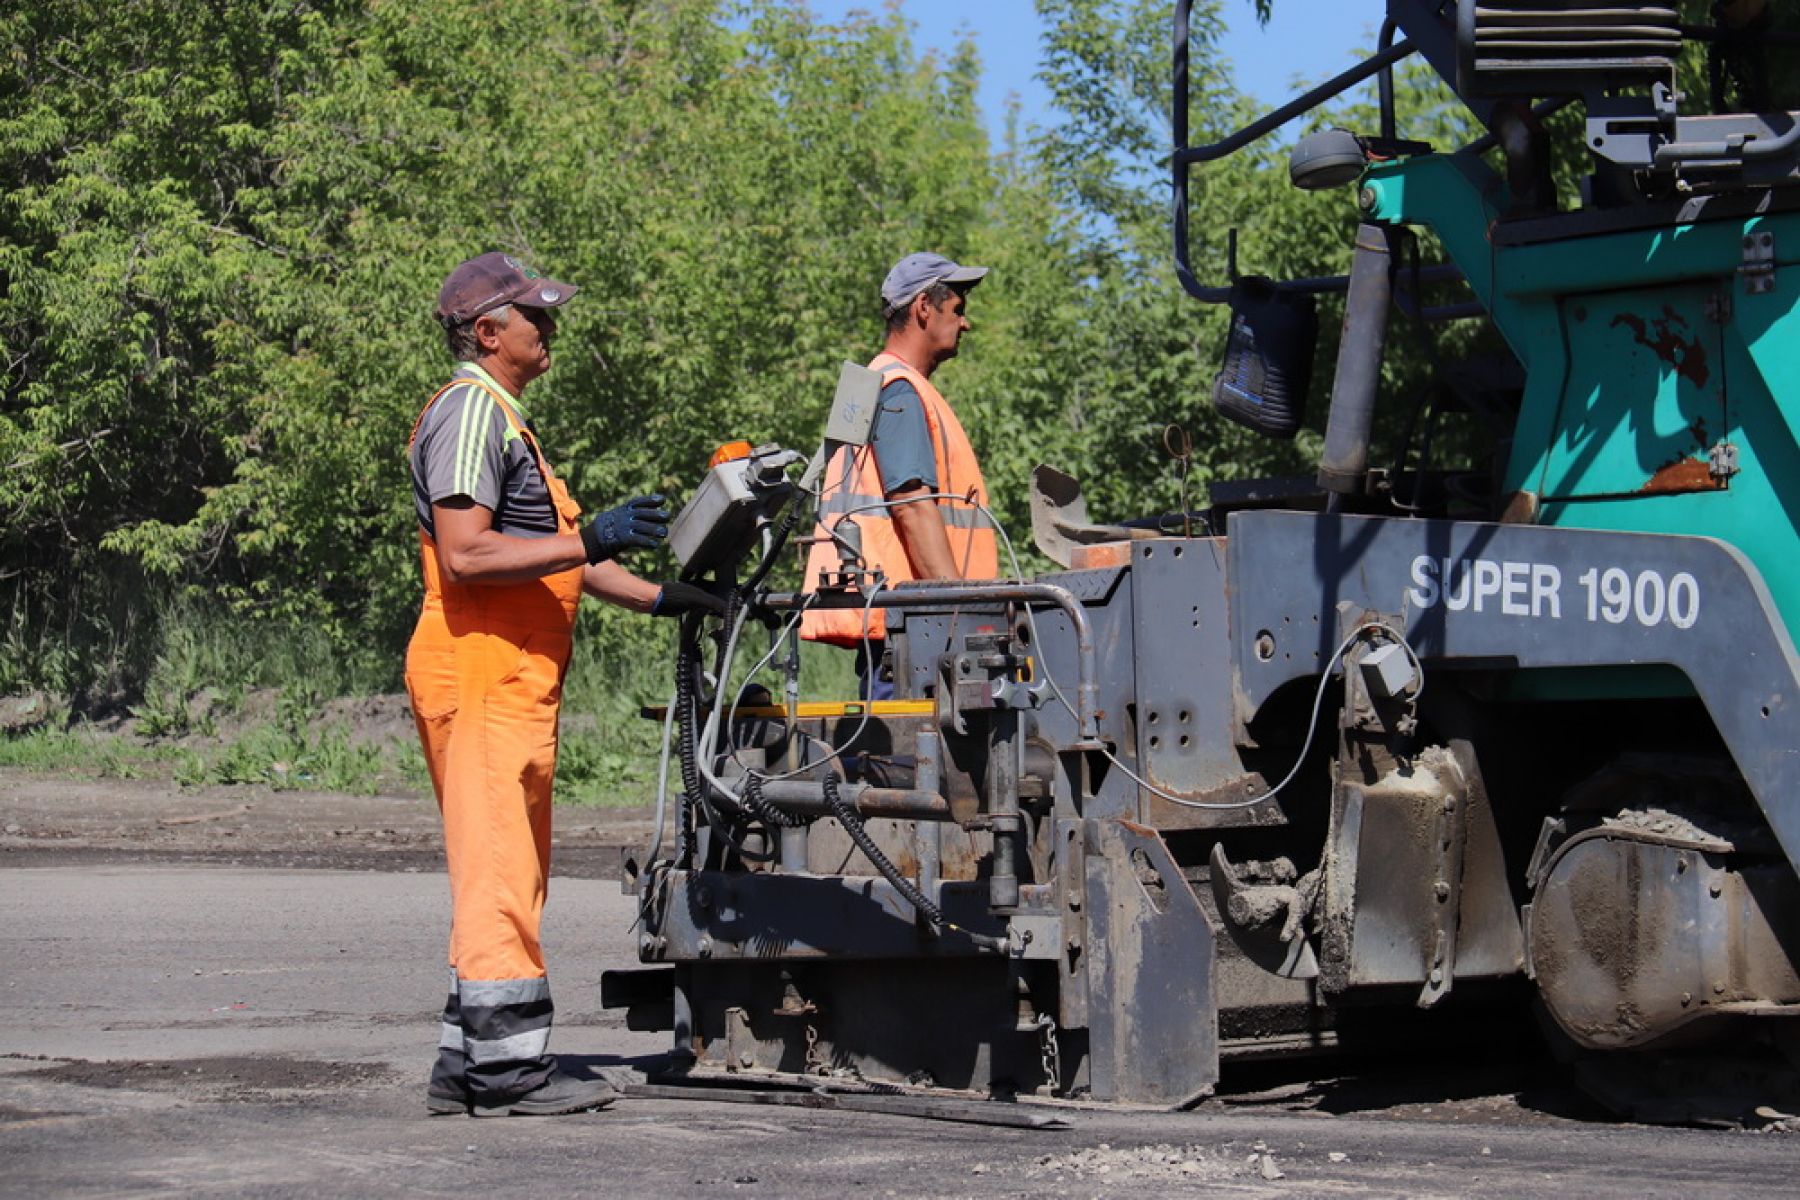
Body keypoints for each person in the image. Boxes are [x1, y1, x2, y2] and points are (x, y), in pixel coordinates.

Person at [406, 251, 720, 1117]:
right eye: (534, 317)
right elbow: (470, 555)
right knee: (499, 873)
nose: (550, 330)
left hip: (510, 674)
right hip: (479, 667)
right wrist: (594, 539)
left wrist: (664, 597)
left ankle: (465, 1064)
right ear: (487, 333)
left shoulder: (505, 421)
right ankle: (508, 1078)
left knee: (510, 871)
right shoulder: (471, 412)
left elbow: (550, 566)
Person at [801, 253, 1000, 697]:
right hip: (915, 636)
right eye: (958, 310)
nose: (965, 324)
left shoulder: (880, 382)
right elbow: (912, 508)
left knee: (890, 761)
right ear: (924, 308)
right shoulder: (901, 390)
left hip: (904, 625)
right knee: (908, 762)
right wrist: (961, 613)